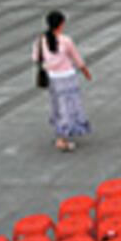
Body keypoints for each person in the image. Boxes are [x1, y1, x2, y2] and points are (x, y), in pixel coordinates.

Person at [32, 10, 92, 152]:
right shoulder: (65, 40)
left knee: (58, 107)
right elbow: (77, 58)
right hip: (68, 78)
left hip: (53, 78)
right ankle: (62, 139)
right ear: (61, 24)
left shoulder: (40, 40)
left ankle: (60, 133)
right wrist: (86, 72)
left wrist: (49, 64)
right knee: (69, 108)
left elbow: (35, 58)